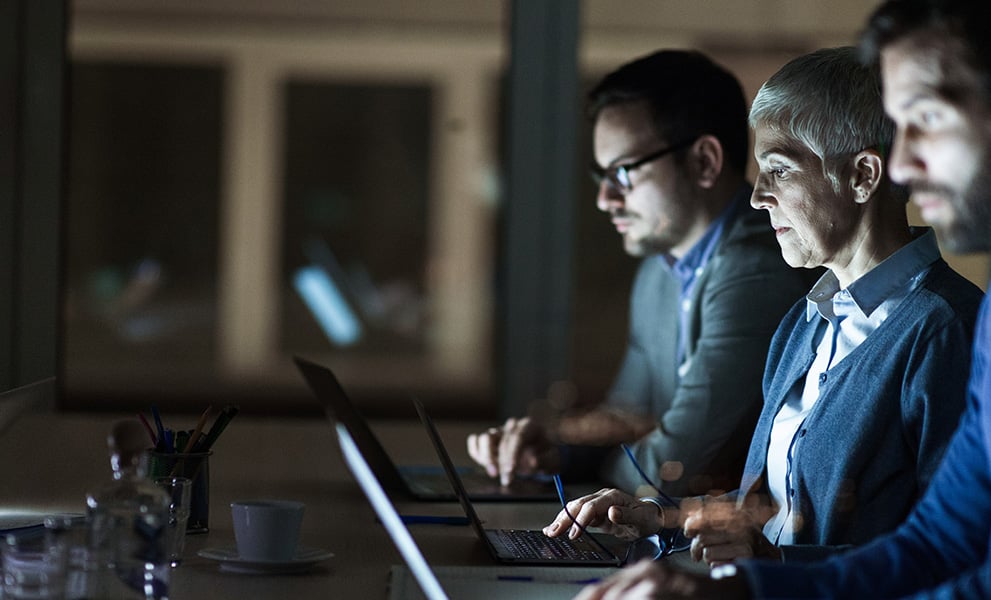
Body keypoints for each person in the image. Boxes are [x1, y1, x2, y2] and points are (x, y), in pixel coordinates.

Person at [571, 0, 991, 597]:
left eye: (780, 170)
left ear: (862, 177)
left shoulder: (946, 327)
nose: (756, 196)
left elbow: (943, 554)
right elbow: (767, 509)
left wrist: (771, 571)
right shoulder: (804, 322)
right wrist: (663, 518)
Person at [467, 50, 815, 497]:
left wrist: (599, 458)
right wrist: (555, 452)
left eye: (624, 172)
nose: (605, 199)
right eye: (602, 176)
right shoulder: (659, 269)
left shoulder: (756, 273)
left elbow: (670, 469)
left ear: (704, 161)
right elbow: (625, 418)